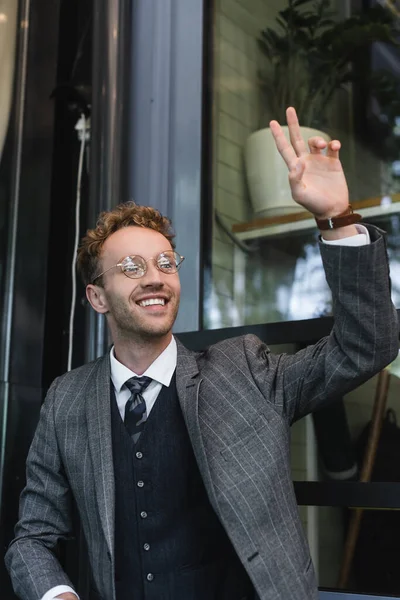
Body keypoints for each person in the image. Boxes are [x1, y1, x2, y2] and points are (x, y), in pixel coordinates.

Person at [5, 107, 399, 600]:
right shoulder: (67, 399)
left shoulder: (244, 371)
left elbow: (368, 345)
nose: (155, 276)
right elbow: (32, 539)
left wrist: (335, 220)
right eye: (130, 266)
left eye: (165, 262)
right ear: (97, 297)